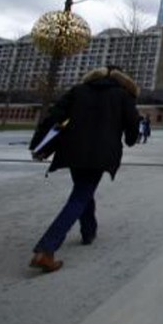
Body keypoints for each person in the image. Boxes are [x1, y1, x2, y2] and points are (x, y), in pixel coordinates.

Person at [27, 65, 139, 273]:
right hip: (101, 152)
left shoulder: (78, 91)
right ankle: (46, 249)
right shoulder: (123, 95)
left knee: (83, 190)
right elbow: (133, 126)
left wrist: (40, 144)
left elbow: (54, 117)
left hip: (72, 149)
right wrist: (131, 137)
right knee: (80, 195)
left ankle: (89, 231)